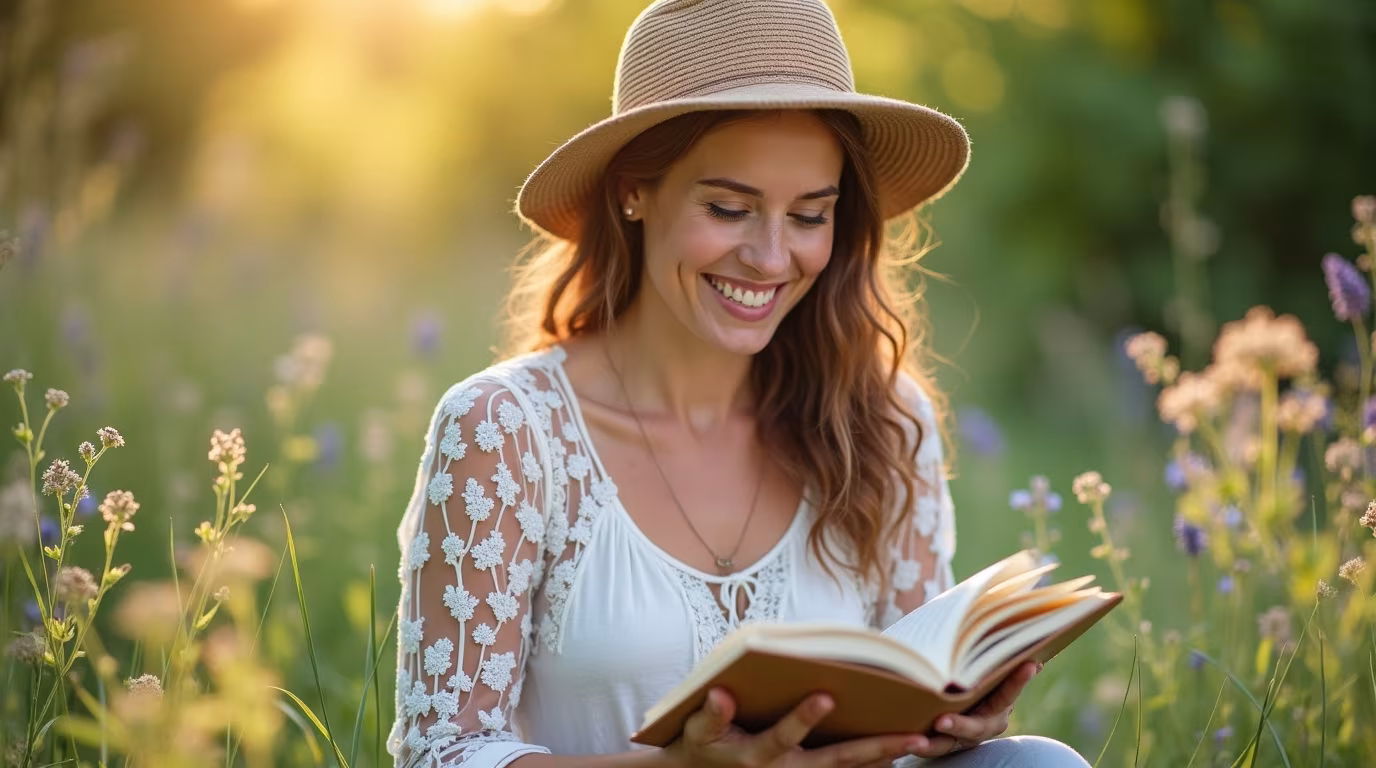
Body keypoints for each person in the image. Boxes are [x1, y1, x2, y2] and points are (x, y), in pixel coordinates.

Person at [388, 1, 1092, 766]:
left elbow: (913, 691)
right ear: (634, 191)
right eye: (729, 208)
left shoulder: (880, 419)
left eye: (810, 216)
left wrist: (954, 719)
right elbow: (443, 754)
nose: (769, 257)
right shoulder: (506, 432)